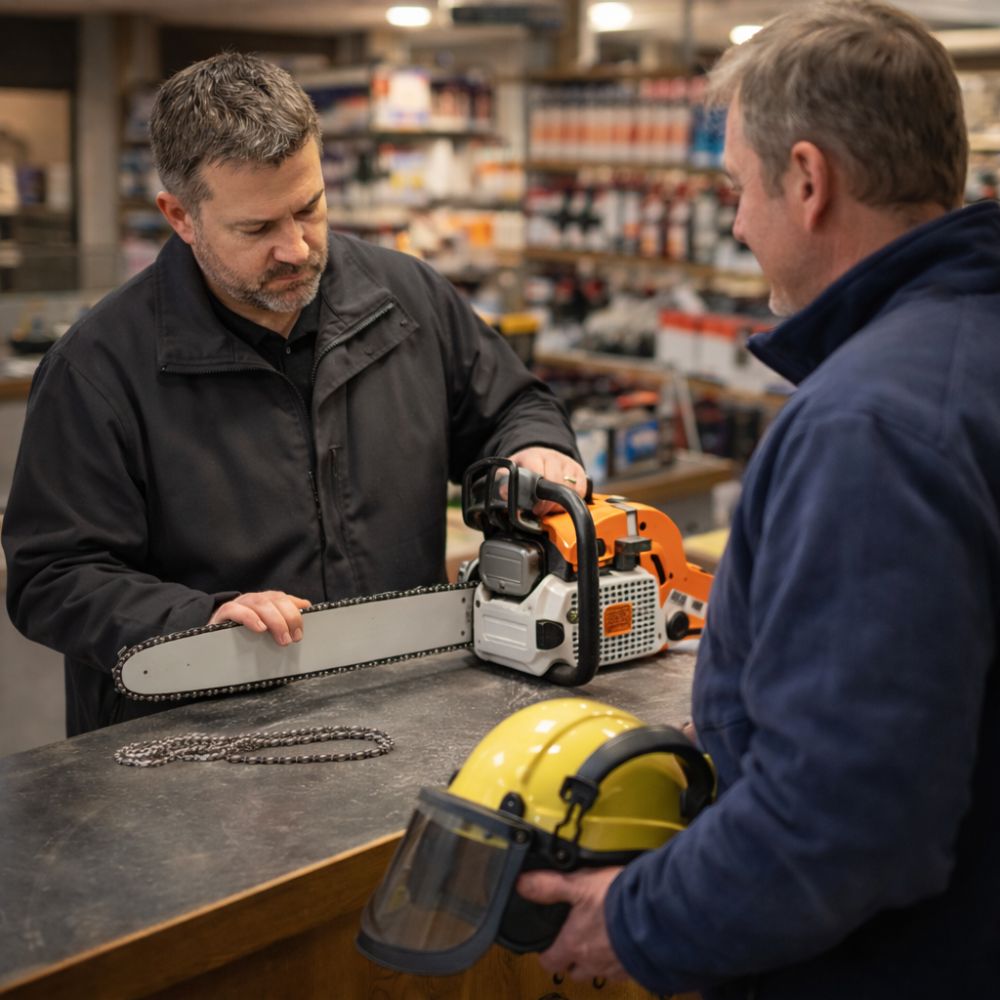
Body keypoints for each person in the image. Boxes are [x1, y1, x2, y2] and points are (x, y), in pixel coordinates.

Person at [518, 2, 1000, 996]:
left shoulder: (868, 423)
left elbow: (844, 820)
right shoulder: (964, 353)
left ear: (809, 180)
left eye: (738, 186)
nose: (733, 221)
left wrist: (639, 919)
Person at [1, 52, 585, 736]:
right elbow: (53, 576)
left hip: (406, 710)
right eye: (257, 229)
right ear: (179, 216)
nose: (297, 250)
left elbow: (513, 406)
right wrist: (199, 622)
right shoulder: (98, 369)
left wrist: (536, 448)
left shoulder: (408, 299)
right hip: (196, 747)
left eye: (309, 210)